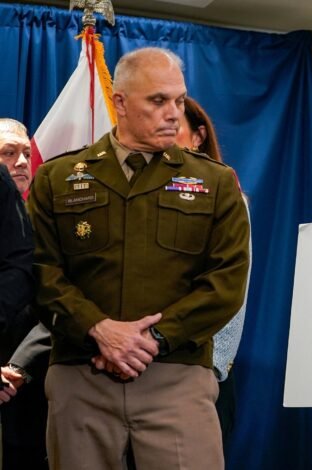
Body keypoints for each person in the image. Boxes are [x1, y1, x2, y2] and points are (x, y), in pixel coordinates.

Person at [27, 47, 250, 470]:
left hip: (177, 377)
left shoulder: (216, 183)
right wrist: (99, 329)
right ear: (121, 103)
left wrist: (153, 339)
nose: (173, 113)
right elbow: (40, 271)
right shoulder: (57, 178)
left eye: (179, 100)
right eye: (158, 100)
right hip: (82, 374)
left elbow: (227, 282)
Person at [176, 95, 251, 456]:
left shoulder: (224, 193)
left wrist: (214, 367)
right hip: (147, 371)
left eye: (174, 126)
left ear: (198, 136)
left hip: (200, 371)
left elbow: (230, 290)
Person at [0, 118, 36, 469]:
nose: (22, 162)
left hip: (30, 379)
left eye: (26, 153)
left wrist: (19, 366)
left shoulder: (53, 220)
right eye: (8, 154)